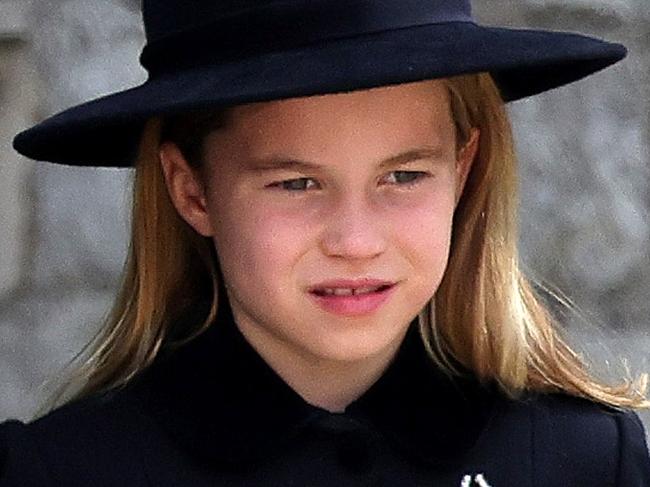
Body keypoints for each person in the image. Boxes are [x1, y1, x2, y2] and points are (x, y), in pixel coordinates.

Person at [1, 0, 649, 485]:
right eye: (296, 182)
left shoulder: (588, 461)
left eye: (402, 175)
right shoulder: (58, 471)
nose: (356, 240)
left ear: (464, 168)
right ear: (191, 189)